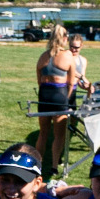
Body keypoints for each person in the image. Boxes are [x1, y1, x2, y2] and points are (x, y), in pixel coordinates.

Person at [35, 24, 78, 176]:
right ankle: (54, 166)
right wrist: (66, 98)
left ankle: (37, 164)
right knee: (59, 135)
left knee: (43, 133)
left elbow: (39, 80)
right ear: (64, 39)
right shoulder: (68, 55)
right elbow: (71, 82)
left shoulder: (43, 56)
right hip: (59, 94)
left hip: (44, 95)